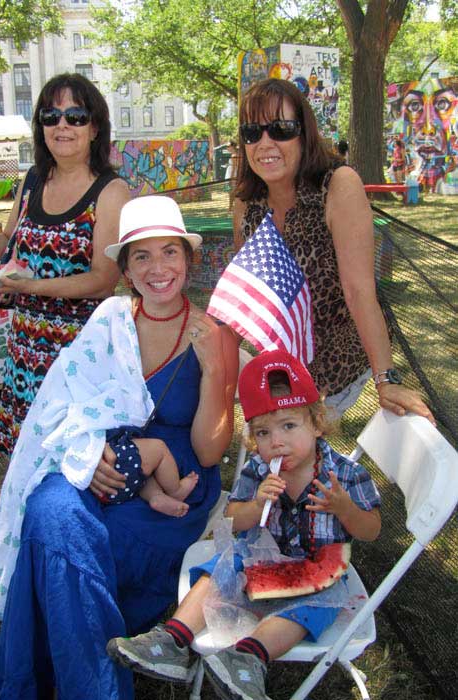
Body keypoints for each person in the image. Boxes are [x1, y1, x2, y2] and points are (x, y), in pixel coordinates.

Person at [0, 195, 239, 699]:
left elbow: (207, 453)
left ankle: (66, 674)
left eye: (169, 253)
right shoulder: (110, 320)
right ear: (126, 269)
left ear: (188, 259)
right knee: (49, 510)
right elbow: (66, 402)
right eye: (142, 256)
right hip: (102, 460)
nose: (158, 268)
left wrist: (217, 371)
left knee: (92, 543)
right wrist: (88, 456)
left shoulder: (214, 336)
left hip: (171, 485)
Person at [107, 349, 381, 700]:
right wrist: (257, 504)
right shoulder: (258, 468)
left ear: (316, 422)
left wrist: (344, 508)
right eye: (263, 432)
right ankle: (173, 640)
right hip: (258, 557)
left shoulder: (346, 475)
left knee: (312, 607)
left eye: (289, 426)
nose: (276, 441)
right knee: (219, 568)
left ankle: (247, 659)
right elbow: (233, 519)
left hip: (317, 573)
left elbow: (371, 530)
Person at [0, 72, 131, 455]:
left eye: (75, 116)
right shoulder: (33, 180)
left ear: (94, 128)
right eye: (50, 115)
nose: (62, 125)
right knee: (25, 462)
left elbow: (102, 280)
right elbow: (10, 246)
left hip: (78, 354)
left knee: (72, 464)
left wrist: (30, 287)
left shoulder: (111, 191)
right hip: (25, 347)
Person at [232, 78, 434, 423]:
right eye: (252, 132)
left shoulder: (338, 185)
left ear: (304, 133)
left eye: (281, 128)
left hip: (335, 358)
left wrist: (386, 379)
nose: (265, 142)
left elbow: (359, 291)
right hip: (280, 356)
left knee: (290, 445)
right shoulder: (245, 200)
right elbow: (250, 291)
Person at [102, 429, 199, 517]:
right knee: (158, 448)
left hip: (104, 491)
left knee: (143, 472)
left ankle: (156, 496)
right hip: (113, 461)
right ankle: (176, 491)